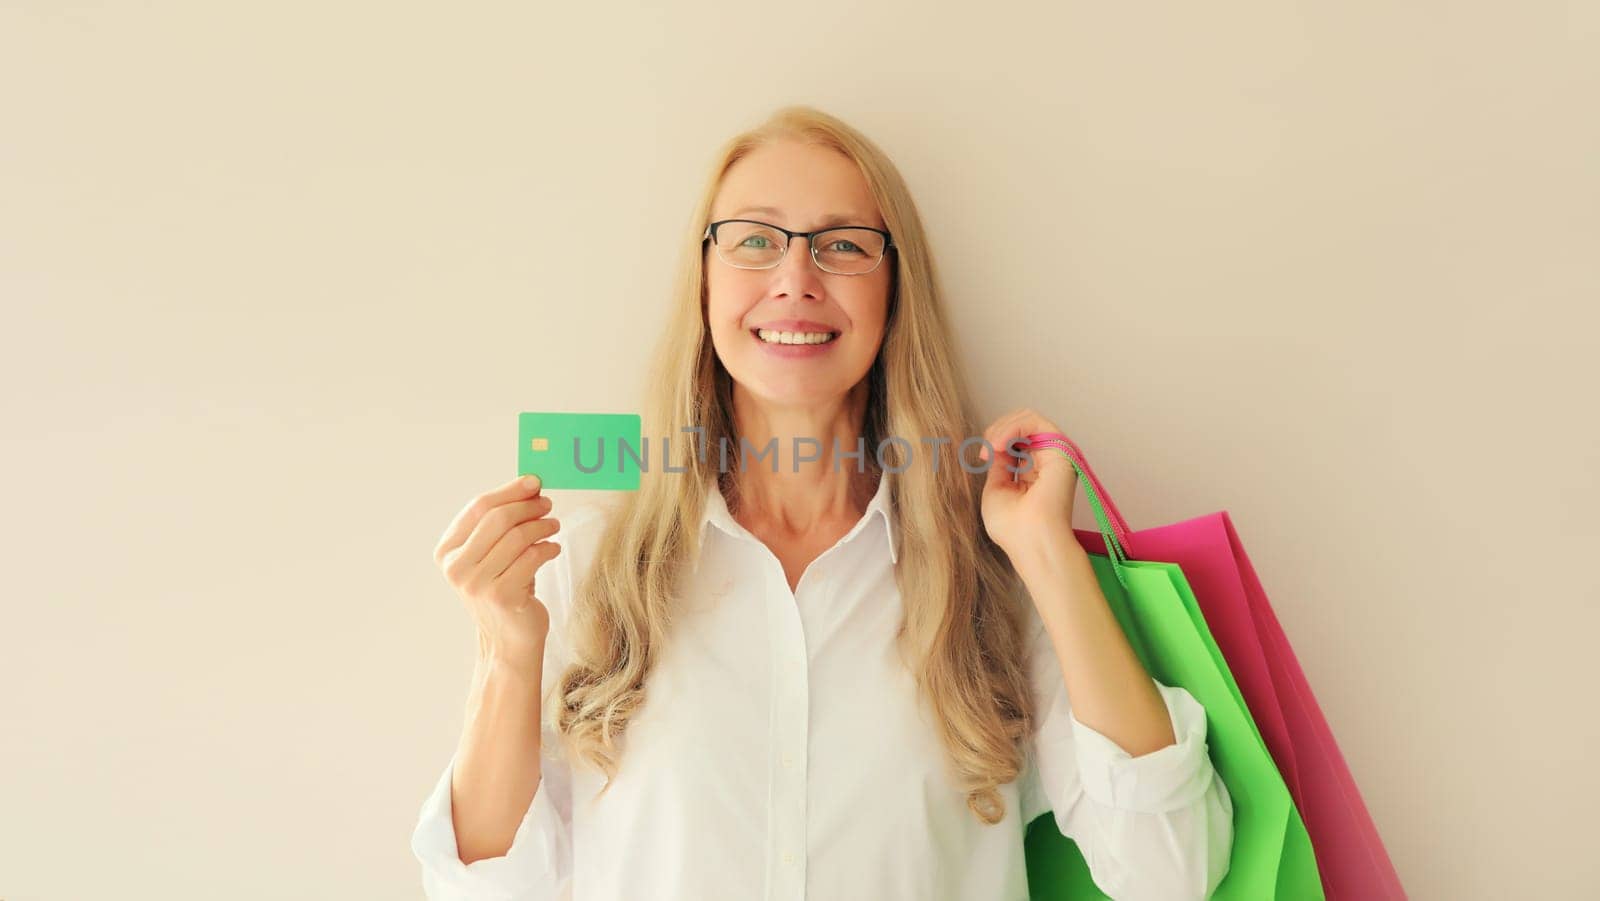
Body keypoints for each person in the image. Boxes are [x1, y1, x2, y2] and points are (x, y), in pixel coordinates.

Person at [410, 105, 1234, 900]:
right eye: (756, 241)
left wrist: (1048, 556)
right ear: (704, 281)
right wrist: (507, 650)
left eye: (842, 245)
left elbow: (1175, 870)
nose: (795, 278)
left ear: (894, 292)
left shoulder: (994, 578)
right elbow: (479, 889)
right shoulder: (585, 568)